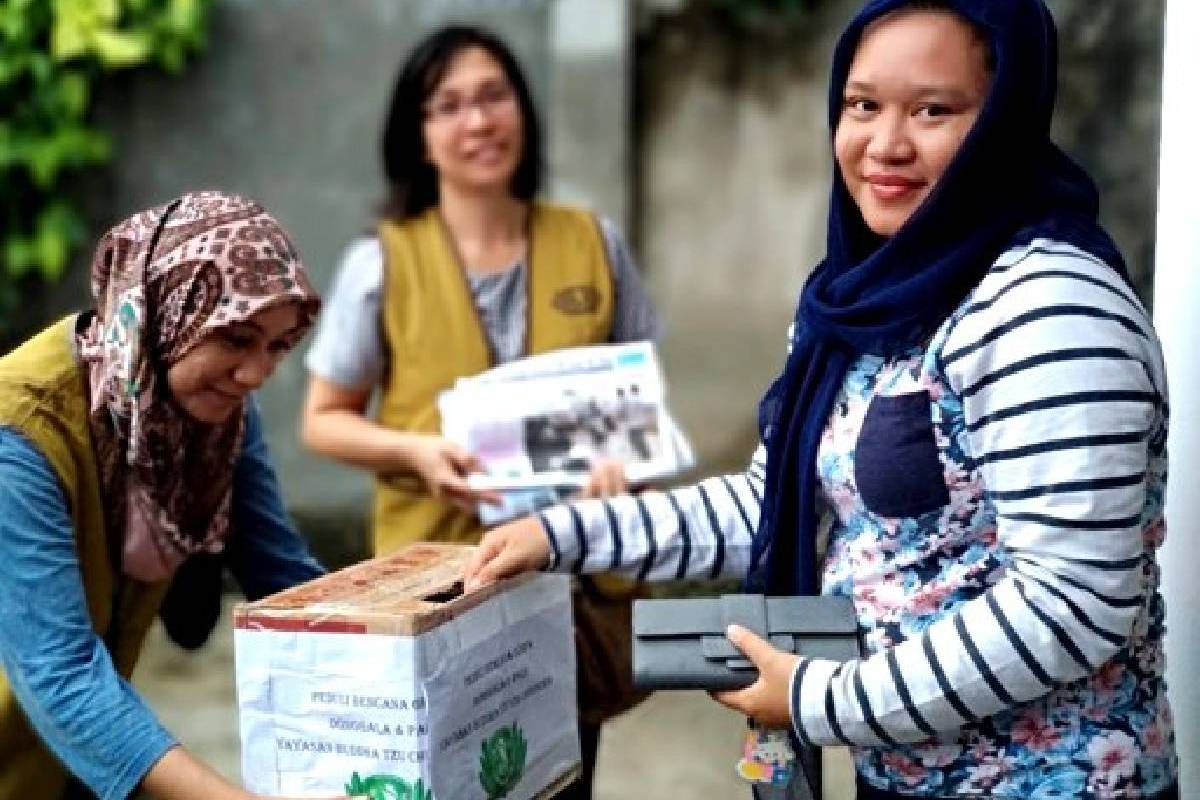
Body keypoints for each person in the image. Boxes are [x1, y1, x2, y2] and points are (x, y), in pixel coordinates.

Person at [465, 1, 1179, 798]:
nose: (886, 144)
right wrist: (561, 533)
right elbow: (776, 508)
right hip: (900, 773)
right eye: (863, 104)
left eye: (934, 110)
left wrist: (819, 699)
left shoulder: (1050, 307)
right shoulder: (858, 303)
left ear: (1003, 120)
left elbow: (1070, 604)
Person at [299, 25, 660, 798]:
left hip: (568, 585)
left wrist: (618, 474)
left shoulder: (596, 244)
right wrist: (415, 453)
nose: (477, 121)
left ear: (523, 112)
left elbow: (639, 412)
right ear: (419, 136)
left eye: (494, 96)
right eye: (449, 106)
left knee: (562, 779)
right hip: (434, 594)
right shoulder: (382, 263)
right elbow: (323, 418)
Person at [0, 191, 351, 800]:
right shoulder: (21, 433)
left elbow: (286, 579)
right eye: (236, 339)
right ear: (165, 311)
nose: (257, 373)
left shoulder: (215, 411)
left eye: (278, 345)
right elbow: (61, 673)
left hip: (82, 758)